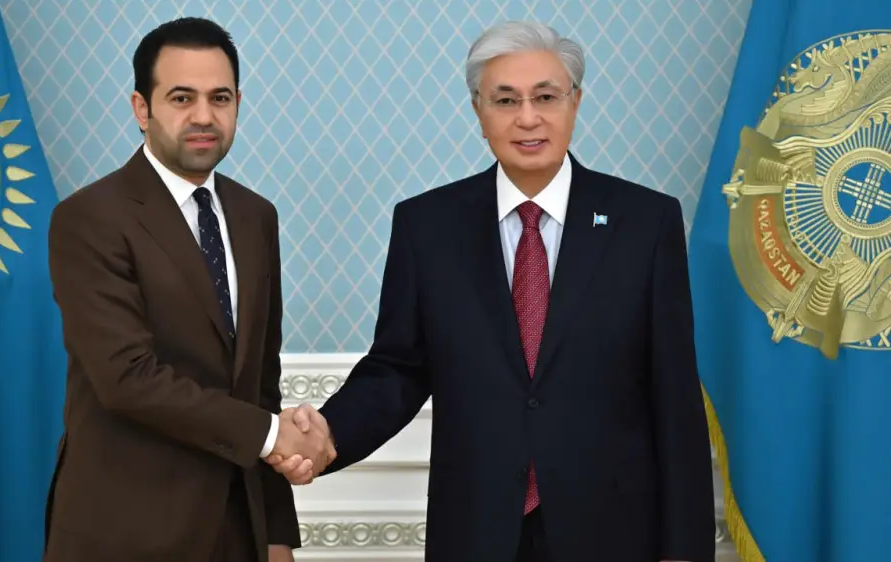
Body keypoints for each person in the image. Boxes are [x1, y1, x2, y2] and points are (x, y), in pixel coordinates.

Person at [268, 20, 716, 562]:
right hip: (476, 530)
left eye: (545, 97)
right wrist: (328, 435)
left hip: (614, 533)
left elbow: (674, 396)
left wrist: (685, 550)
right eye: (505, 100)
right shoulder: (427, 227)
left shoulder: (645, 223)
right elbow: (398, 369)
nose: (527, 118)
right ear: (479, 112)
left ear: (575, 102)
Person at [43, 17, 334, 562]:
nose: (203, 116)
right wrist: (273, 436)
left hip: (239, 531)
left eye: (219, 98)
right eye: (181, 98)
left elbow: (260, 385)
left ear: (237, 104)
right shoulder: (89, 218)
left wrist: (275, 534)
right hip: (125, 534)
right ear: (141, 108)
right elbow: (127, 379)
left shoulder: (256, 216)